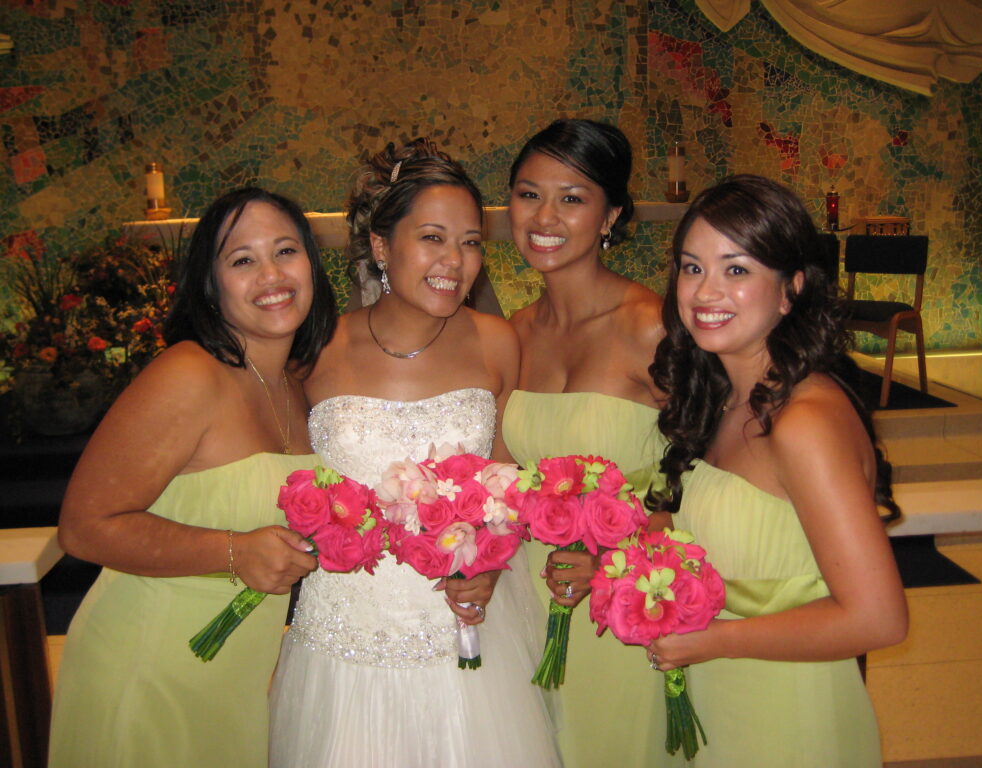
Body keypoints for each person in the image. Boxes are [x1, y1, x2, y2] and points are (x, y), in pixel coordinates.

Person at [269, 139, 560, 768]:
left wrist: (489, 564)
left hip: (466, 639)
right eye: (432, 237)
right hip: (342, 637)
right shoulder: (313, 351)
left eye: (471, 241)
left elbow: (506, 487)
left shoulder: (496, 342)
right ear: (381, 245)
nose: (455, 260)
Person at [49, 187, 336, 768]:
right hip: (149, 670)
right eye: (242, 259)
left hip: (234, 680)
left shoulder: (296, 384)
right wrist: (235, 551)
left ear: (311, 264)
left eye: (286, 251)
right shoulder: (189, 373)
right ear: (211, 284)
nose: (271, 274)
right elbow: (82, 527)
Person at [647, 174, 909, 767]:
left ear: (790, 289)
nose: (705, 291)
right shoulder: (723, 397)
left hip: (785, 715)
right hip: (723, 698)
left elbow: (879, 619)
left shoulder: (802, 423)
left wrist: (714, 639)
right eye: (692, 268)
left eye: (736, 269)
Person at [500, 118, 674, 767]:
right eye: (528, 194)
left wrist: (622, 557)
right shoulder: (512, 333)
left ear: (611, 216)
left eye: (571, 198)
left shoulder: (650, 327)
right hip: (524, 595)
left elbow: (706, 471)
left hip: (621, 601)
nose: (544, 217)